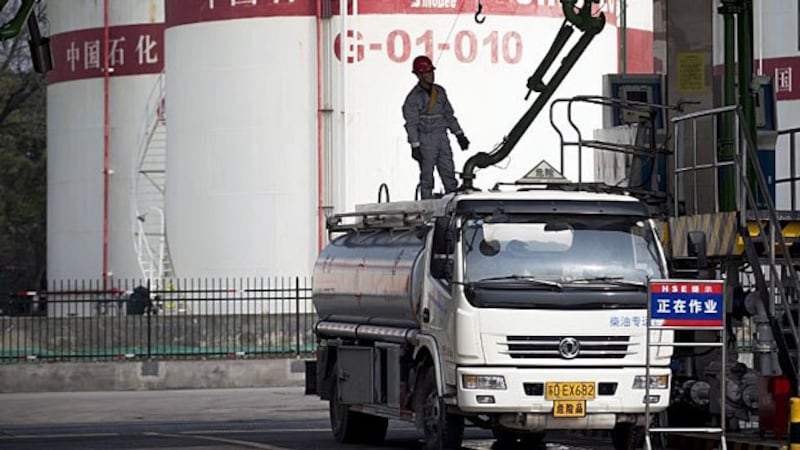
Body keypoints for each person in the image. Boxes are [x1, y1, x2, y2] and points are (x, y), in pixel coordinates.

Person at [402, 55, 470, 200]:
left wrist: (459, 135)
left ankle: (451, 205)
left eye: (431, 71)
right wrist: (415, 145)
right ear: (419, 75)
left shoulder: (439, 92)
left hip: (442, 137)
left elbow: (449, 115)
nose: (431, 75)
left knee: (448, 173)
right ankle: (427, 209)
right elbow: (411, 124)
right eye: (427, 72)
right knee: (427, 177)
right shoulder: (413, 98)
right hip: (425, 139)